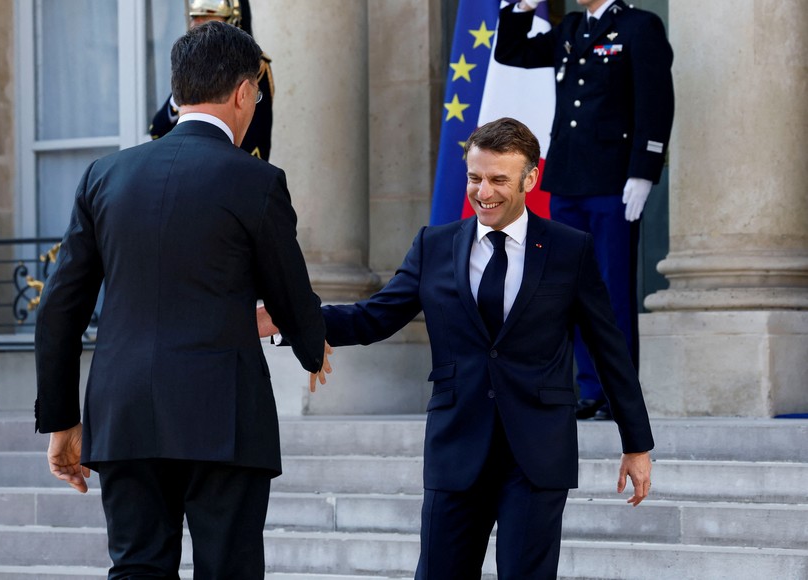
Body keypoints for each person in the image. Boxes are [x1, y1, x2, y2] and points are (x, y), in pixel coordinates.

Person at [259, 118, 654, 579]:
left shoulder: (570, 250)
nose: (483, 192)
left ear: (531, 178)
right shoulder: (434, 245)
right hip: (457, 444)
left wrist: (636, 444)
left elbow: (610, 350)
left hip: (537, 452)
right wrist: (291, 319)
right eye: (474, 177)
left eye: (498, 179)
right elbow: (376, 316)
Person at [35, 21, 327, 579]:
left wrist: (61, 419)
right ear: (244, 93)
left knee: (137, 568)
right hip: (224, 416)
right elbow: (291, 292)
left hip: (123, 415)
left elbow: (59, 310)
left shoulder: (104, 175)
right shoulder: (256, 180)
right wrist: (311, 347)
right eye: (257, 95)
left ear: (176, 93)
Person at [494, 0, 675, 420]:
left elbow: (655, 100)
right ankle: (590, 389)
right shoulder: (573, 27)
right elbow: (512, 52)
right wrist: (522, 5)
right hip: (568, 180)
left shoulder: (638, 26)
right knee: (573, 291)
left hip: (613, 181)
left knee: (611, 291)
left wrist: (644, 170)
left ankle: (618, 393)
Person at [149, 0, 275, 161]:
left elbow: (256, 139)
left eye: (207, 17)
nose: (196, 24)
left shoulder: (255, 67)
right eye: (195, 18)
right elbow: (159, 129)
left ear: (231, 21)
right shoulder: (192, 61)